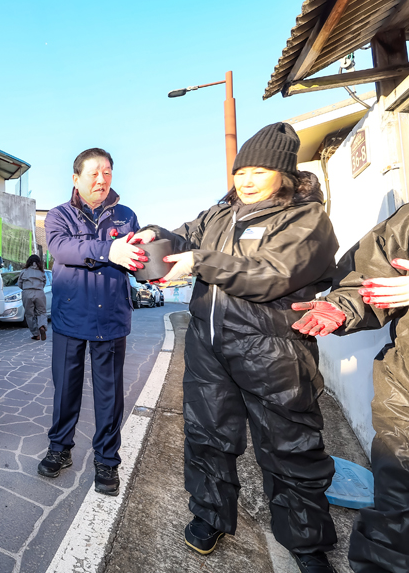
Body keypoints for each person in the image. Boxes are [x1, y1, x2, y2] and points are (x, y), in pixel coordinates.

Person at [136, 123, 339, 573]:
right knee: (207, 436)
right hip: (209, 347)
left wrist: (201, 261)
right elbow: (182, 236)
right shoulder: (220, 214)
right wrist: (149, 236)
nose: (245, 180)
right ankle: (209, 515)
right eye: (240, 170)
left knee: (289, 446)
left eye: (259, 170)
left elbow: (273, 273)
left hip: (274, 351)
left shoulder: (305, 218)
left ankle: (306, 541)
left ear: (283, 172)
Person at [292, 204, 409, 573]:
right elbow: (371, 272)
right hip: (405, 388)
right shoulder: (406, 223)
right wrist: (342, 306)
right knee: (395, 513)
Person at [39, 148, 142, 496]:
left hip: (111, 319)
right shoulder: (58, 215)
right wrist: (107, 250)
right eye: (94, 173)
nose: (102, 179)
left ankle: (107, 460)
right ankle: (60, 448)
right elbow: (62, 248)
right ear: (76, 178)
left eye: (108, 172)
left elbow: (137, 260)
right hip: (70, 316)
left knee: (108, 395)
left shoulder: (125, 216)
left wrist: (151, 268)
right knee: (65, 390)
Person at [17, 254, 48, 340]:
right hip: (39, 293)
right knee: (41, 312)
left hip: (27, 293)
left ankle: (36, 334)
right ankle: (42, 326)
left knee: (29, 314)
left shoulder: (24, 271)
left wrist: (26, 288)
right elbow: (44, 283)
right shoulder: (42, 272)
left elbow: (20, 284)